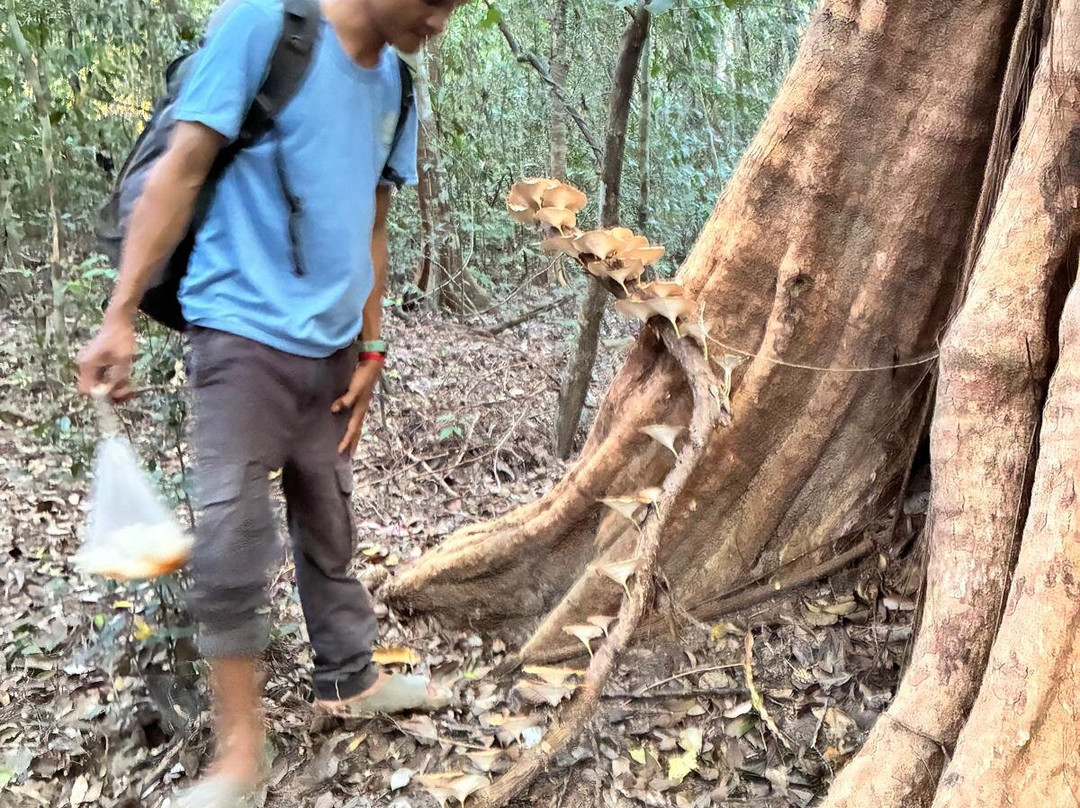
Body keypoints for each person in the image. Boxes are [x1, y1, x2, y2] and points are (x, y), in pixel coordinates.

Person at [77, 0, 468, 803]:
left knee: (328, 515)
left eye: (455, 8)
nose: (441, 21)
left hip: (329, 349)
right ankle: (239, 761)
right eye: (434, 1)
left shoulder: (396, 82)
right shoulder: (266, 27)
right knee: (232, 536)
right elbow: (181, 167)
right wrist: (118, 315)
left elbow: (374, 220)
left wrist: (371, 345)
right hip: (241, 336)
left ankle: (347, 679)